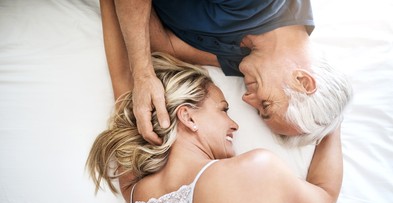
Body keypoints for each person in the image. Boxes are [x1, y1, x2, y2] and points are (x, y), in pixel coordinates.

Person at [87, 53, 343, 203]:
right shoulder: (257, 172)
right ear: (188, 117)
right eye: (223, 109)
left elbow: (123, 87)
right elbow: (325, 199)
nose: (234, 124)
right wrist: (331, 119)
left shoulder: (136, 193)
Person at [99, 0, 352, 147]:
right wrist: (142, 72)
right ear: (302, 81)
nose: (246, 99)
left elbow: (165, 44)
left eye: (257, 109)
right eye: (265, 104)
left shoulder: (249, 61)